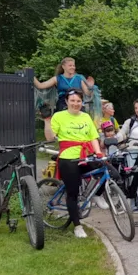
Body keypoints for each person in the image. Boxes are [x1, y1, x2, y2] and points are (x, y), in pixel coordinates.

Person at [50, 89, 105, 238]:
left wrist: (98, 153)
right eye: (72, 100)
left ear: (82, 102)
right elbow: (51, 135)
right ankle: (77, 226)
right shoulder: (59, 116)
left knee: (106, 170)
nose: (75, 103)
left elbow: (93, 137)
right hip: (68, 158)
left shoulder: (86, 116)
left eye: (78, 101)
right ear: (67, 101)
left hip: (85, 155)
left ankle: (96, 195)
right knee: (72, 193)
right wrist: (46, 121)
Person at [33, 57, 92, 142]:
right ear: (63, 66)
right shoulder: (57, 78)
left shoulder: (79, 78)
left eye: (74, 65)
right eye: (70, 65)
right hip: (63, 104)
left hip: (77, 104)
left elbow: (87, 93)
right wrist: (31, 76)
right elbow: (41, 86)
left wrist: (91, 87)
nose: (73, 67)